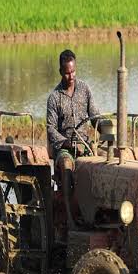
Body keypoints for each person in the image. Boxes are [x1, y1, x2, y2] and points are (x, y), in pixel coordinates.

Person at [46, 49, 99, 231]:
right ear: (61, 72)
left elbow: (95, 116)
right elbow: (50, 128)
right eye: (67, 72)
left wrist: (106, 129)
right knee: (67, 166)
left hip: (85, 146)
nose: (71, 76)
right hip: (65, 149)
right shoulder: (54, 98)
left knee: (102, 166)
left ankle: (95, 214)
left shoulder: (85, 89)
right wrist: (66, 142)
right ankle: (70, 218)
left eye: (73, 71)